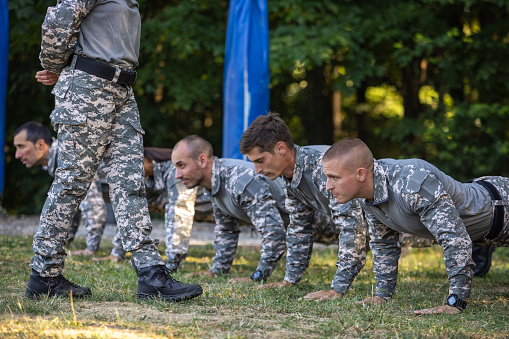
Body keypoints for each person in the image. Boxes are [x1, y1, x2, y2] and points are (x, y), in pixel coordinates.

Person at [25, 0, 202, 302]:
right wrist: (58, 66)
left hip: (123, 91)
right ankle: (45, 274)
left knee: (131, 184)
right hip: (88, 90)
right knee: (72, 182)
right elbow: (60, 18)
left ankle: (150, 274)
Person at [239, 113, 435, 297]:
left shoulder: (320, 168)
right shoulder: (290, 177)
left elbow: (352, 227)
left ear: (281, 148)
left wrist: (337, 289)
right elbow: (300, 228)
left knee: (446, 236)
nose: (257, 170)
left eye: (261, 161)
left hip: (401, 218)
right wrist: (290, 281)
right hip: (379, 225)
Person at [321, 137, 509, 314]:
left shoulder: (412, 183)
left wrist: (455, 302)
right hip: (484, 232)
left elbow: (454, 239)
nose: (328, 186)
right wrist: (382, 295)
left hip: (502, 208)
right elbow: (383, 244)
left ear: (361, 174)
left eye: (334, 177)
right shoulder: (367, 196)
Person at [171, 135, 288, 282]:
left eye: (181, 166)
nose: (177, 175)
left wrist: (258, 277)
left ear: (202, 160)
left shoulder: (239, 180)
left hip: (321, 222)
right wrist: (217, 271)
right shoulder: (214, 183)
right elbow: (226, 229)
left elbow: (274, 232)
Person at [98, 147, 210, 272]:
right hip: (205, 211)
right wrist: (117, 253)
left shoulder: (175, 172)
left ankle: (175, 261)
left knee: (178, 212)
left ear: (147, 160)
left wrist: (172, 265)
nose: (129, 170)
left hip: (215, 210)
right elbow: (131, 213)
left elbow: (179, 214)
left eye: (133, 164)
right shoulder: (147, 177)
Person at [13, 121, 107, 255]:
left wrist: (91, 249)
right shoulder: (60, 158)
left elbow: (93, 204)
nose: (17, 155)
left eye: (21, 147)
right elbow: (72, 201)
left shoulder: (70, 155)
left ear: (40, 144)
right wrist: (65, 240)